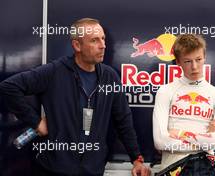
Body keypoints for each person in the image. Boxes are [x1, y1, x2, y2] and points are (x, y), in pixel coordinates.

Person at [0, 18, 150, 176]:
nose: (103, 45)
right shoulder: (54, 72)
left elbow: (123, 120)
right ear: (77, 45)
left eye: (103, 39)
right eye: (94, 40)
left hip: (92, 171)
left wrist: (137, 159)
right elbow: (8, 87)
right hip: (54, 169)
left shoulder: (110, 77)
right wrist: (35, 122)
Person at [153, 34, 215, 175]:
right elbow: (160, 141)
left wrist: (179, 133)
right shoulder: (165, 91)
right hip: (172, 169)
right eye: (187, 61)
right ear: (178, 62)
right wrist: (205, 136)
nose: (194, 67)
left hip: (205, 168)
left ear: (204, 57)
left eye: (198, 59)